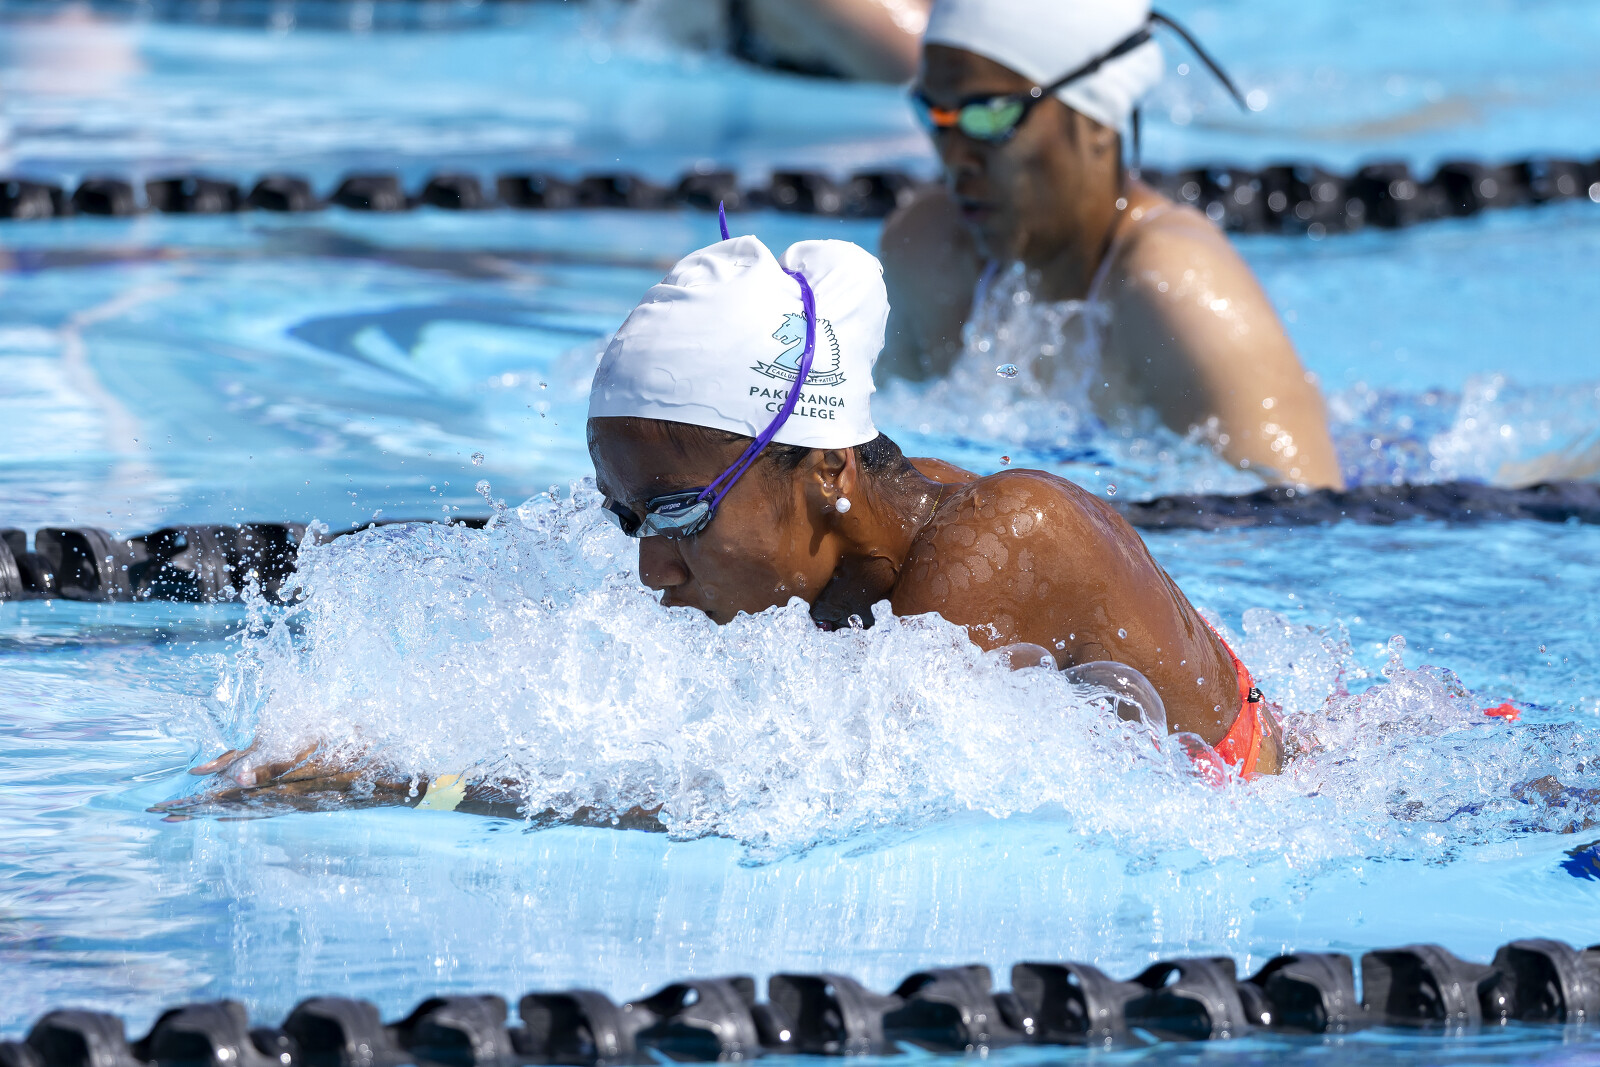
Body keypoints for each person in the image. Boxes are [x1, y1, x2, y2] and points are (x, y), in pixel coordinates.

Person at [167, 227, 1282, 823]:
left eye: (679, 514)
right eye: (627, 519)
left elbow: (793, 805)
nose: (652, 568)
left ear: (824, 467)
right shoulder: (844, 546)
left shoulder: (996, 543)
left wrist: (414, 779)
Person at [879, 0, 1345, 488]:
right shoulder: (930, 249)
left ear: (1097, 117)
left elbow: (1300, 511)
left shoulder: (1174, 282)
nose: (954, 156)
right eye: (935, 114)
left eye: (990, 115)